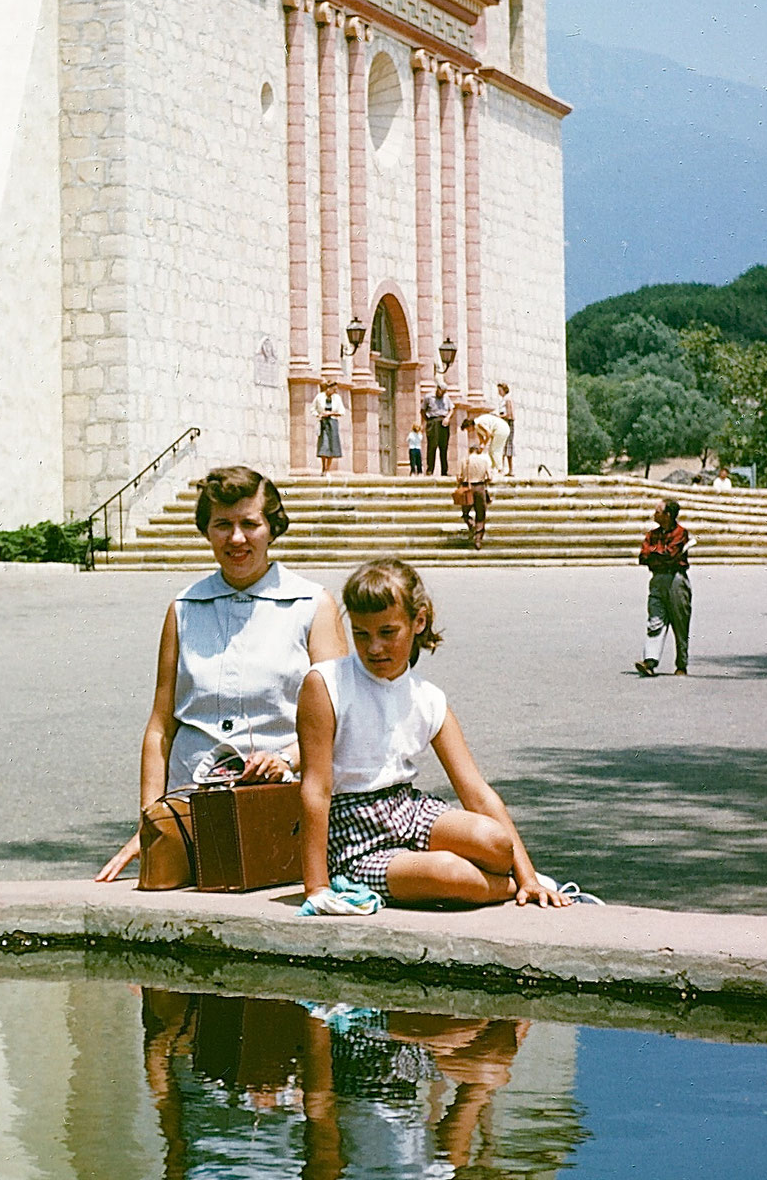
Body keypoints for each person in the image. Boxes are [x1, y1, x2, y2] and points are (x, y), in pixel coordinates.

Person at [96, 466, 347, 881]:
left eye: (250, 524)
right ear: (206, 531)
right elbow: (161, 727)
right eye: (222, 525)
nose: (236, 539)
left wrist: (286, 758)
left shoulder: (311, 604)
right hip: (190, 810)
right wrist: (151, 822)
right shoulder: (184, 608)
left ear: (272, 527)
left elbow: (340, 721)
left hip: (281, 807)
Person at [297, 558, 572, 910]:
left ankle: (523, 884)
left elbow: (475, 791)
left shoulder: (427, 697)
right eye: (361, 635)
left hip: (408, 809)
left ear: (419, 621)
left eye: (387, 632)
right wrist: (317, 887)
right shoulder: (326, 683)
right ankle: (497, 887)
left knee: (496, 842)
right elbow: (316, 788)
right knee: (449, 872)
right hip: (352, 834)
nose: (374, 648)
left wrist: (529, 876)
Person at [635, 497, 692, 676]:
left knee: (680, 623)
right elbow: (642, 556)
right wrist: (657, 554)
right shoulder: (652, 534)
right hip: (657, 579)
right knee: (655, 620)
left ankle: (681, 664)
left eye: (658, 511)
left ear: (668, 515)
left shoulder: (680, 533)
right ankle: (650, 661)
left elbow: (671, 555)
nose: (654, 514)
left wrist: (654, 553)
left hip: (676, 580)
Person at [457, 421, 492, 549]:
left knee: (465, 512)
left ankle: (470, 524)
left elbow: (458, 477)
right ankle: (478, 539)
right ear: (478, 450)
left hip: (467, 488)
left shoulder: (464, 460)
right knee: (481, 514)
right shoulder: (484, 461)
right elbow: (490, 477)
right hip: (480, 487)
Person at [421, 373, 454, 476]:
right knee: (432, 446)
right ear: (438, 389)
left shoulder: (446, 398)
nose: (442, 394)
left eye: (444, 392)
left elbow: (452, 409)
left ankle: (444, 471)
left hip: (443, 422)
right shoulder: (428, 397)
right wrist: (428, 420)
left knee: (444, 447)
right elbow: (422, 410)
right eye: (441, 391)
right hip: (433, 420)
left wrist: (448, 417)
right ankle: (430, 469)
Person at [313, 383, 344, 473]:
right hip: (323, 422)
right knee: (324, 444)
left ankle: (328, 469)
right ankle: (323, 467)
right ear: (328, 388)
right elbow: (313, 409)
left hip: (333, 422)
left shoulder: (337, 398)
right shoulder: (319, 397)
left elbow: (341, 411)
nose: (335, 392)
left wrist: (330, 413)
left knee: (332, 444)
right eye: (333, 389)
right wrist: (319, 415)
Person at [495, 382, 515, 476]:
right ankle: (502, 468)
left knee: (508, 446)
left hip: (507, 423)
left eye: (500, 390)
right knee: (503, 445)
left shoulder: (507, 399)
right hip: (504, 423)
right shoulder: (504, 399)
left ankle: (509, 469)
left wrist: (499, 416)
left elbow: (510, 414)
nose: (499, 392)